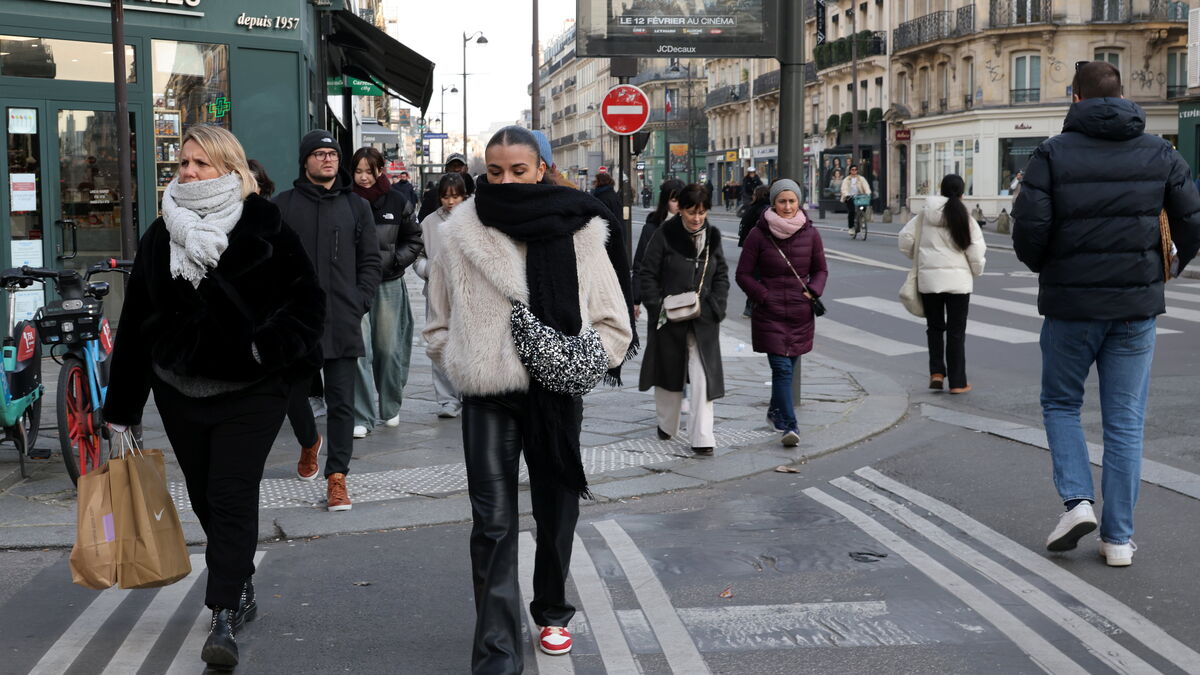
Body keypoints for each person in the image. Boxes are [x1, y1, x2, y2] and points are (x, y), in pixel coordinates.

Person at [102, 125, 324, 670]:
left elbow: (307, 303)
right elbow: (136, 324)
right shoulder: (161, 234)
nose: (189, 172)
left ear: (230, 167)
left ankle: (223, 608)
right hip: (180, 392)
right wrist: (122, 409)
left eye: (201, 163)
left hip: (253, 391)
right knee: (203, 495)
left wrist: (264, 350)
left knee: (229, 494)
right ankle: (239, 576)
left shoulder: (265, 223)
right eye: (183, 163)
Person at [423, 125, 631, 672]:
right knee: (492, 524)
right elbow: (438, 324)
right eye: (495, 172)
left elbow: (614, 321)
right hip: (488, 396)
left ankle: (552, 610)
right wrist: (466, 362)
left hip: (554, 394)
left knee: (556, 511)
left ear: (541, 168)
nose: (507, 181)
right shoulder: (459, 233)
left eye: (518, 170)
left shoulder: (581, 228)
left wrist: (576, 362)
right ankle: (496, 651)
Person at [1013, 60, 1200, 566]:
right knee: (1124, 421)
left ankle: (1077, 502)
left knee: (1061, 404)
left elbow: (1029, 229)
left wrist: (1049, 266)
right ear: (1121, 96)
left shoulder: (1051, 153)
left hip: (1071, 306)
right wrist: (1167, 268)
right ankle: (1118, 539)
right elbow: (1191, 220)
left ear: (1076, 98)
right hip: (1135, 308)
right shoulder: (1160, 152)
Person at [274, 130, 382, 512]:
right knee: (291, 394)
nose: (327, 158)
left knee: (341, 403)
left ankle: (337, 477)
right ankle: (309, 442)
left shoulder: (356, 206)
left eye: (332, 153)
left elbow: (371, 260)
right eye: (319, 153)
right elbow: (268, 260)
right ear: (305, 161)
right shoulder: (282, 205)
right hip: (296, 321)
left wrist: (360, 300)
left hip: (341, 317)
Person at [638, 183, 729, 455]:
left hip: (703, 319)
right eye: (691, 212)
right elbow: (647, 273)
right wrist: (657, 306)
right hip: (669, 318)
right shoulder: (664, 234)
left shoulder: (712, 236)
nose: (697, 218)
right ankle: (667, 424)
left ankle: (703, 437)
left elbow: (721, 275)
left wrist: (716, 306)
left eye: (702, 212)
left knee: (703, 377)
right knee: (668, 373)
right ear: (681, 210)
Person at [735, 179, 827, 447]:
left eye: (792, 201)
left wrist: (814, 290)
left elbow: (821, 269)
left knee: (790, 366)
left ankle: (775, 412)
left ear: (799, 202)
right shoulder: (758, 234)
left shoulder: (811, 233)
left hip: (800, 312)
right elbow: (743, 274)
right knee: (782, 369)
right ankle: (789, 425)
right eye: (782, 201)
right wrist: (763, 296)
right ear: (773, 203)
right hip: (770, 312)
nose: (787, 207)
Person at [348, 147, 422, 438]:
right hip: (354, 285)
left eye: (370, 171)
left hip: (388, 283)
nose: (364, 177)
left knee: (389, 349)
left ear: (380, 170)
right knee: (358, 351)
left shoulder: (397, 200)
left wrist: (393, 261)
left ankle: (390, 406)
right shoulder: (345, 200)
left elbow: (414, 239)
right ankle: (361, 415)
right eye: (358, 171)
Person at [899, 174, 986, 394]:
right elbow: (976, 250)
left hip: (930, 281)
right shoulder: (966, 218)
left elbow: (905, 239)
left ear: (941, 190)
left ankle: (936, 373)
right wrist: (976, 271)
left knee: (935, 328)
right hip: (958, 283)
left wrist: (919, 257)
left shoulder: (924, 214)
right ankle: (957, 382)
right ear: (962, 193)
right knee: (956, 332)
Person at [414, 172, 468, 418]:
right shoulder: (428, 223)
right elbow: (418, 255)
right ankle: (447, 399)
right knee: (439, 340)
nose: (450, 201)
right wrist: (430, 271)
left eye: (455, 196)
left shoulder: (475, 219)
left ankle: (469, 392)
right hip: (436, 292)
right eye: (446, 196)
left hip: (468, 293)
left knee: (467, 342)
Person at [632, 178, 685, 320]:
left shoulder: (694, 226)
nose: (679, 204)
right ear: (665, 201)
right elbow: (640, 265)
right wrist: (636, 299)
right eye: (674, 200)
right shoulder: (652, 228)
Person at [737, 185, 773, 319]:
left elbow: (746, 225)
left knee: (755, 278)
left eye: (754, 193)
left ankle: (750, 308)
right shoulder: (768, 209)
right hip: (762, 248)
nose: (752, 196)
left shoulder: (756, 209)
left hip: (756, 248)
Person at [418, 152, 476, 221]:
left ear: (466, 168)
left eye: (460, 166)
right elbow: (423, 221)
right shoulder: (432, 195)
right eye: (452, 166)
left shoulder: (476, 195)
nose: (456, 169)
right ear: (446, 169)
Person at [840, 164, 871, 234]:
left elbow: (866, 186)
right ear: (850, 171)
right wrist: (847, 195)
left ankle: (862, 219)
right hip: (850, 197)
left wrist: (868, 193)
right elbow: (844, 188)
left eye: (855, 170)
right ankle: (851, 227)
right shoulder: (846, 180)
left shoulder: (861, 178)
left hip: (859, 196)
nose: (854, 171)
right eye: (852, 170)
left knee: (863, 207)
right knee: (851, 211)